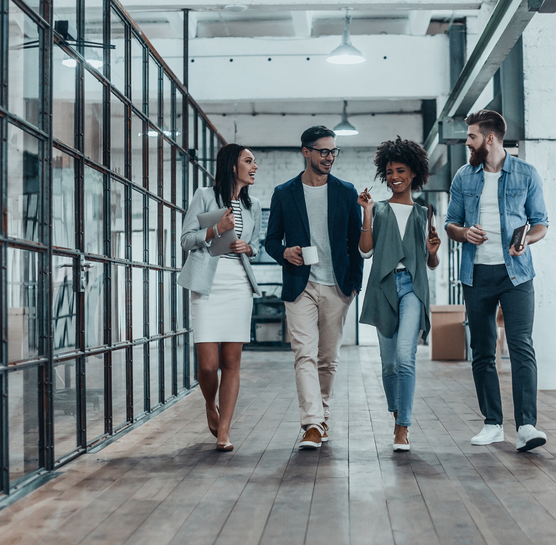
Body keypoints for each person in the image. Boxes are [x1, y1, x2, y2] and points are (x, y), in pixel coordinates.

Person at [444, 109, 550, 452]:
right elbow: (450, 224)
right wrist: (464, 232)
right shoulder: (464, 176)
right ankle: (492, 424)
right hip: (476, 274)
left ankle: (527, 426)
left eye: (471, 136)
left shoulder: (526, 173)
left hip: (516, 274)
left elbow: (541, 223)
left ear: (489, 138)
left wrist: (526, 241)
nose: (467, 142)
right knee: (483, 350)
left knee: (521, 347)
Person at [264, 125, 363, 450]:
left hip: (337, 285)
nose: (330, 157)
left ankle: (322, 418)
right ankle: (312, 424)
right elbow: (270, 240)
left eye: (334, 151)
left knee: (327, 358)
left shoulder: (346, 191)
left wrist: (355, 284)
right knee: (303, 354)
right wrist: (284, 253)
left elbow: (353, 244)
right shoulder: (284, 193)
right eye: (323, 151)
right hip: (300, 284)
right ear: (306, 151)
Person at [357, 138, 441, 451]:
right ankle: (396, 413)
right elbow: (365, 251)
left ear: (414, 173)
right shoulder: (377, 209)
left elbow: (430, 264)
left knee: (406, 357)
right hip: (383, 287)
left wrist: (433, 253)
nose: (395, 176)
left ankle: (402, 427)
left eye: (401, 170)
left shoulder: (424, 213)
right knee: (389, 363)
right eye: (390, 171)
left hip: (413, 289)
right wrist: (366, 213)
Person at [179, 143, 261, 451]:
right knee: (208, 365)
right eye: (249, 161)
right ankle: (209, 404)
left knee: (231, 360)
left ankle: (224, 430)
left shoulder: (254, 206)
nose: (255, 167)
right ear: (232, 165)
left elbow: (257, 246)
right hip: (207, 285)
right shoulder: (204, 196)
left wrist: (248, 248)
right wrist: (216, 230)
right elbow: (186, 240)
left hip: (239, 285)